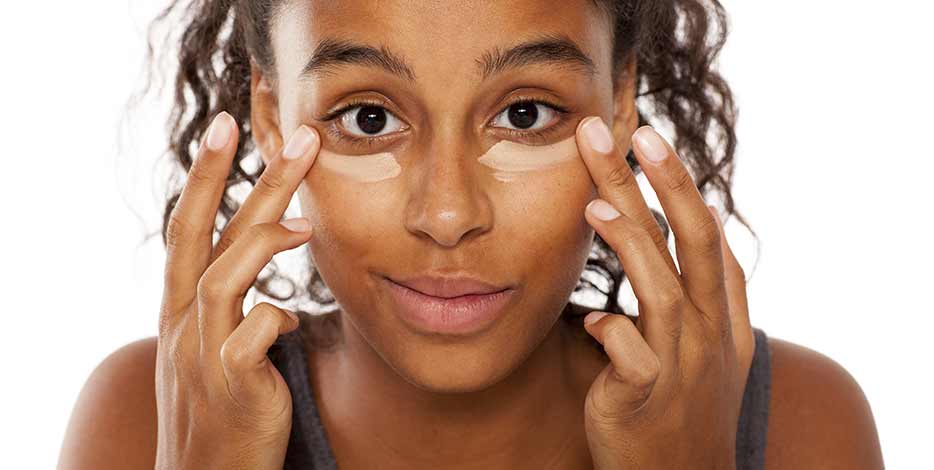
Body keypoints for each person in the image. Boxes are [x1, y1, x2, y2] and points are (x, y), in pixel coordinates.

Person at [58, 1, 884, 469]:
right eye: (368, 117)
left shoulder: (795, 426)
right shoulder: (144, 422)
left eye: (525, 115)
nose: (449, 215)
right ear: (272, 123)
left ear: (620, 102)